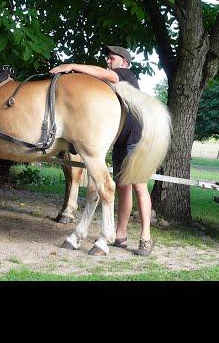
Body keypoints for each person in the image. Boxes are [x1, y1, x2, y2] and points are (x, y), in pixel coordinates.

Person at [49, 45, 154, 256]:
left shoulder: (125, 74)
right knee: (123, 188)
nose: (109, 61)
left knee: (140, 187)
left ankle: (146, 238)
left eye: (112, 58)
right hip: (121, 141)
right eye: (108, 58)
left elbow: (103, 73)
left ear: (124, 62)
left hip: (136, 139)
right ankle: (121, 235)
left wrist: (71, 66)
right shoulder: (111, 82)